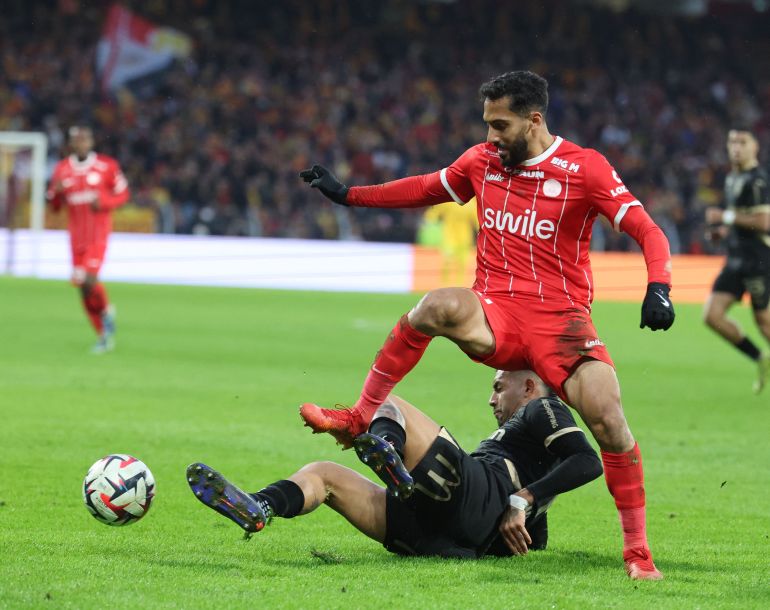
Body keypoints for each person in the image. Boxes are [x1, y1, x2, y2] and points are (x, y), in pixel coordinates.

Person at [298, 71, 674, 579]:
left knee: (608, 418)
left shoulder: (585, 169)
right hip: (495, 309)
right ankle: (358, 416)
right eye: (487, 124)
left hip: (560, 322)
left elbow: (646, 228)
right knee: (436, 306)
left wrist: (659, 287)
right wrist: (350, 196)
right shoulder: (482, 163)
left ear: (534, 120)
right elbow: (425, 188)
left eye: (501, 124)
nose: (491, 136)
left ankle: (637, 553)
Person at [187, 369, 602, 558]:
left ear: (529, 386)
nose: (492, 399)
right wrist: (529, 529)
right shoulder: (525, 447)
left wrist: (521, 501)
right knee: (324, 474)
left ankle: (386, 448)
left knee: (391, 402)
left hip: (477, 497)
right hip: (441, 537)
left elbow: (587, 460)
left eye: (499, 387)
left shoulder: (541, 406)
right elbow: (547, 494)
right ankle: (261, 506)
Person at [46, 126, 129, 353]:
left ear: (91, 142)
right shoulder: (62, 170)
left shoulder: (106, 166)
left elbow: (123, 194)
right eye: (77, 140)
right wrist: (57, 193)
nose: (81, 143)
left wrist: (104, 203)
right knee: (82, 288)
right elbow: (54, 207)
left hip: (98, 236)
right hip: (76, 239)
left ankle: (107, 311)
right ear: (72, 143)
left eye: (85, 139)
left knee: (90, 280)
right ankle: (103, 334)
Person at [703, 126, 770, 393]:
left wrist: (725, 218)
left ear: (755, 147)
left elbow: (765, 221)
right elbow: (744, 217)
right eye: (732, 142)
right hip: (736, 259)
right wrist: (724, 231)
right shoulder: (733, 178)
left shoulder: (758, 180)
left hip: (757, 259)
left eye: (742, 142)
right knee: (712, 316)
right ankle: (760, 358)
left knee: (764, 321)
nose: (736, 148)